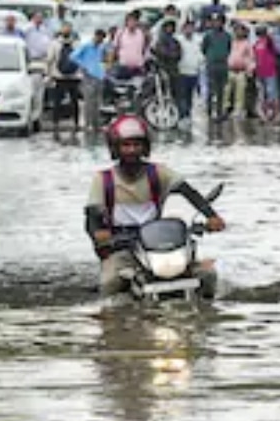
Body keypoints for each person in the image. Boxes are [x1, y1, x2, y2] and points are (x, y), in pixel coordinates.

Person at [84, 116, 227, 297]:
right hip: (121, 246)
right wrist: (99, 234)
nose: (132, 150)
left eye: (137, 145)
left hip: (157, 243)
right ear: (115, 148)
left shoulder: (158, 173)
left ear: (145, 147)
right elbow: (91, 215)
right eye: (126, 145)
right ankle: (112, 319)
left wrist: (211, 216)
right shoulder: (103, 180)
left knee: (207, 274)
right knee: (110, 281)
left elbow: (188, 192)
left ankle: (206, 313)